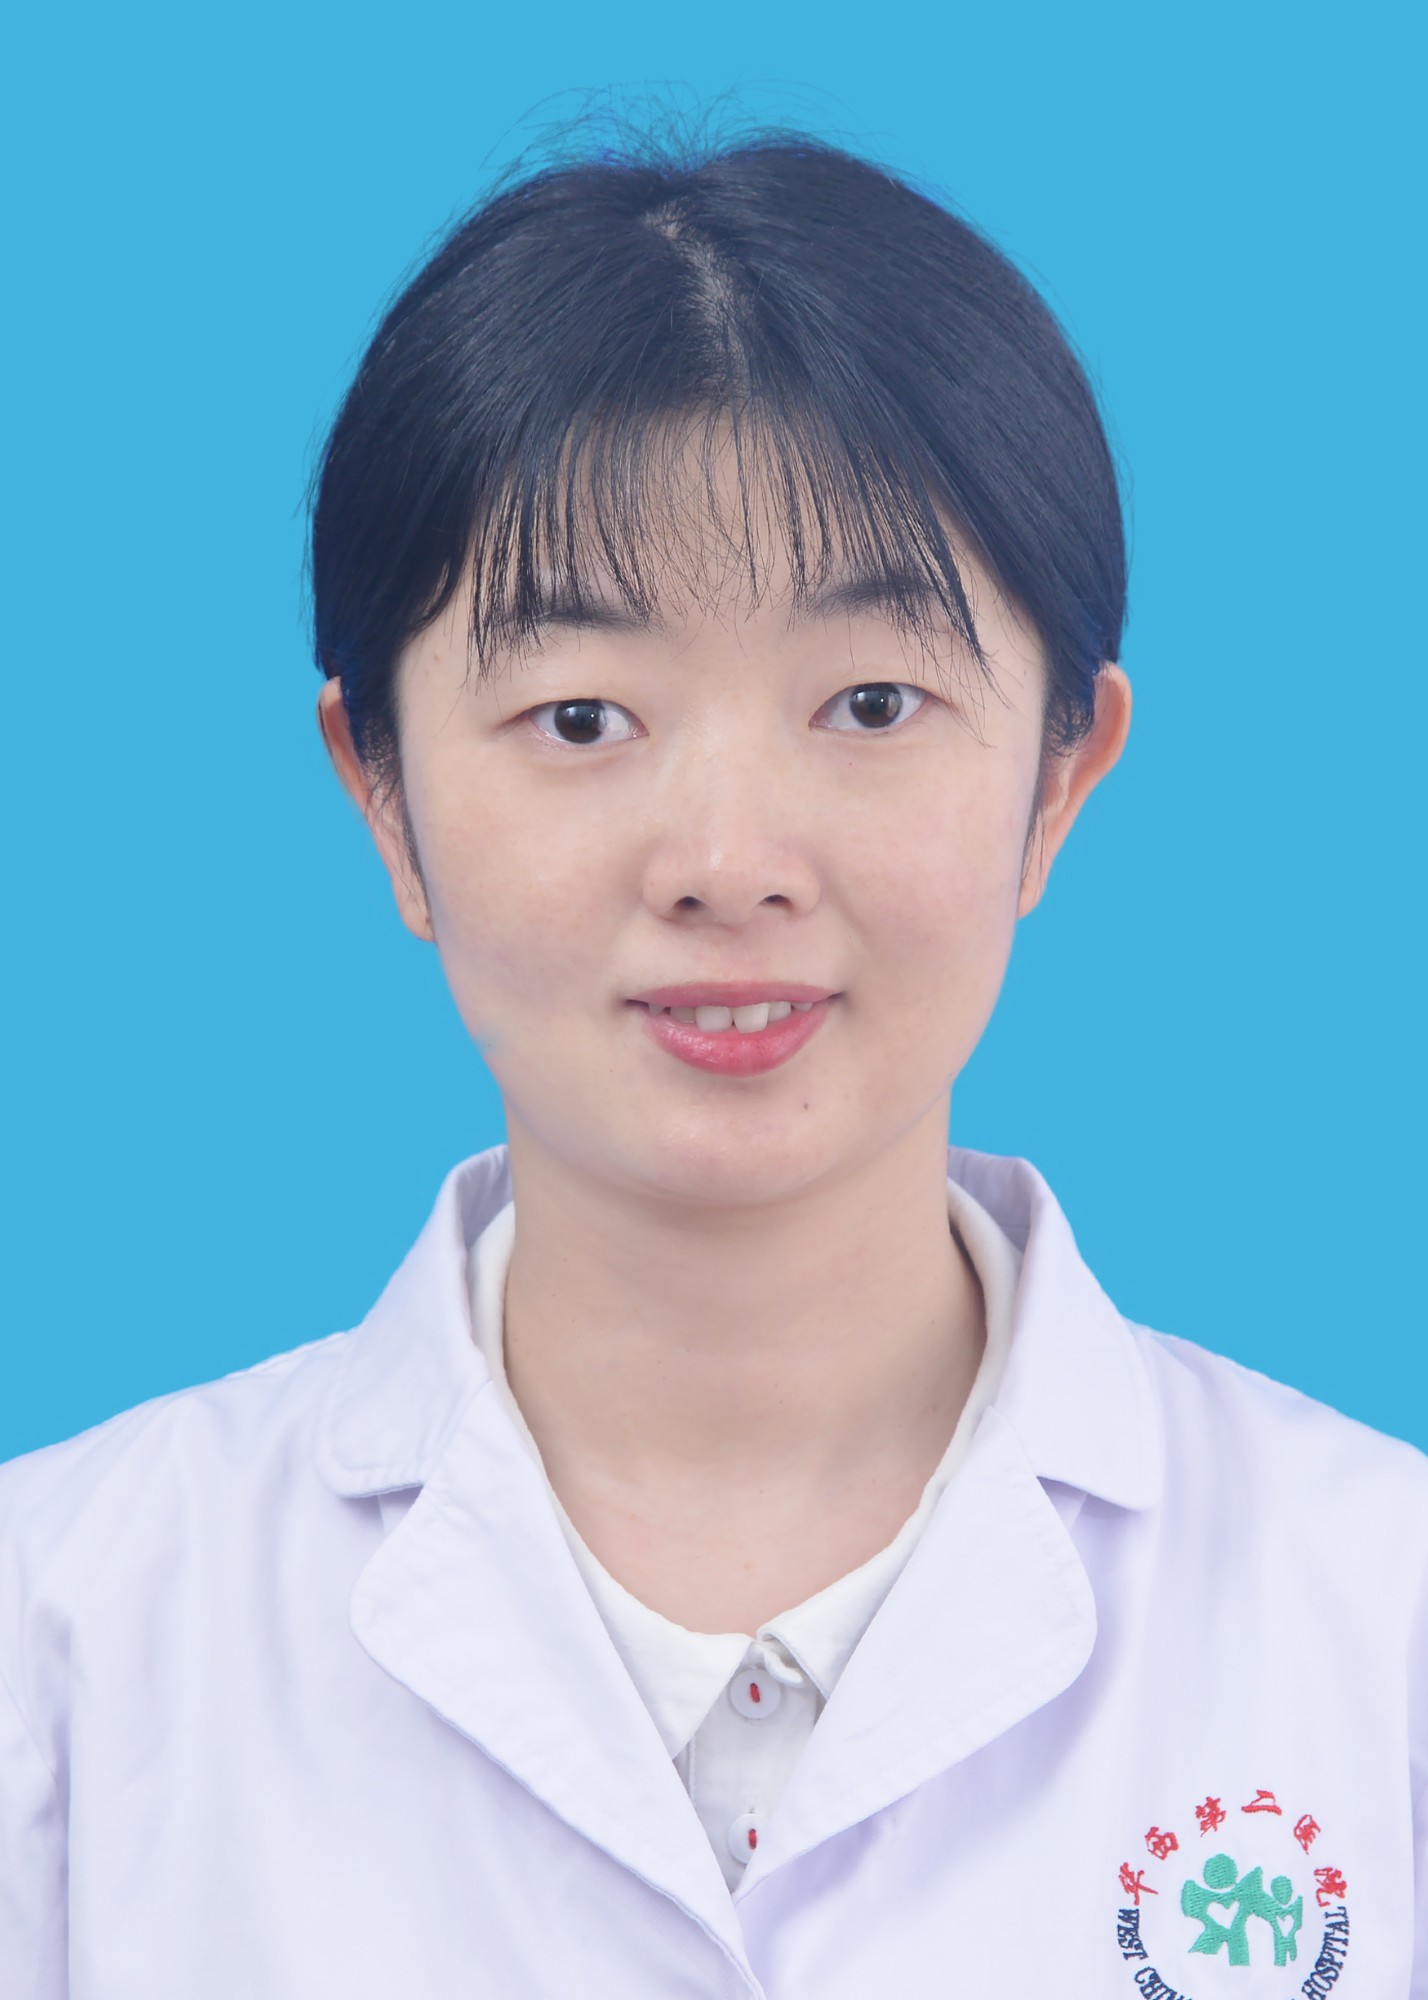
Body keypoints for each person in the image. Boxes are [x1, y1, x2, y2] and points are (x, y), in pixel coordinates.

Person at [1, 127, 1424, 1999]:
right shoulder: (63, 1642)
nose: (729, 860)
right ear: (383, 794)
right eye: (582, 716)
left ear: (1060, 777)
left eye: (872, 703)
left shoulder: (1382, 1621)